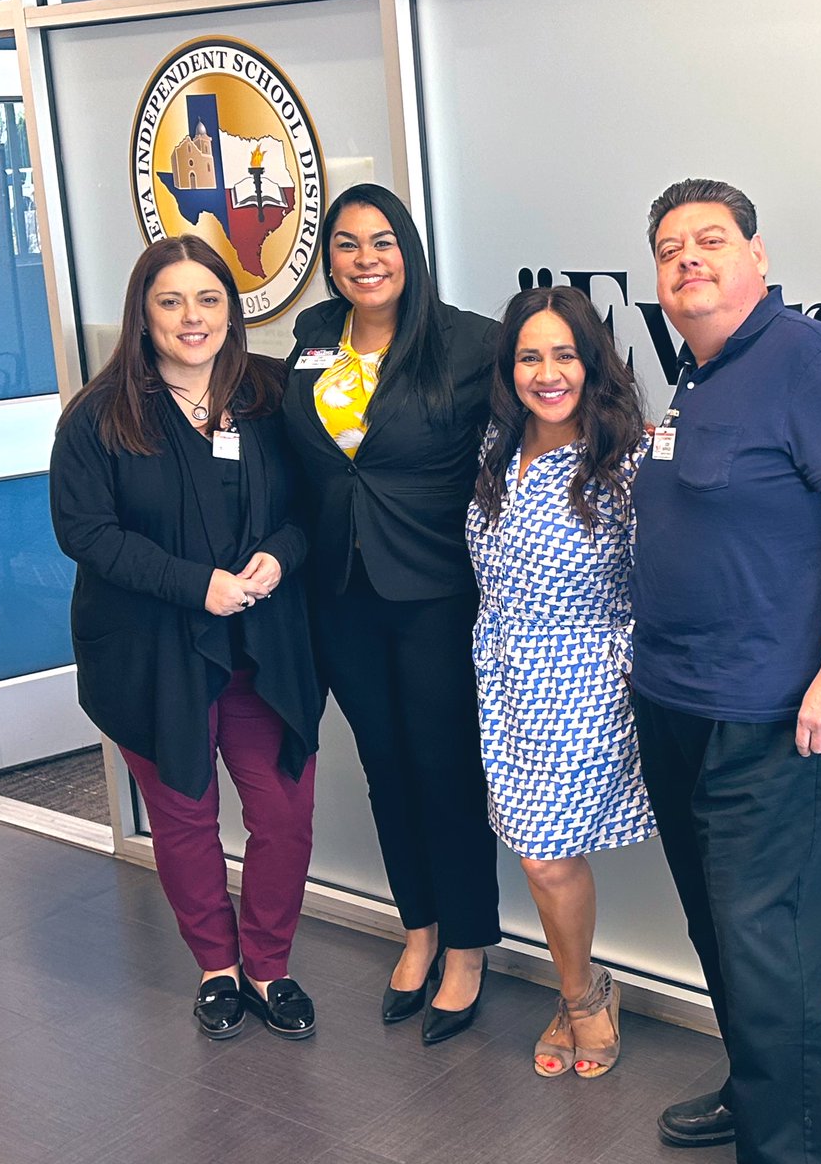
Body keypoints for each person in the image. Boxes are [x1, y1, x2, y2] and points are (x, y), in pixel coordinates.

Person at [629, 180, 821, 1161]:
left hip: (779, 718)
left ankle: (786, 1145)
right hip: (681, 705)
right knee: (719, 932)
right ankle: (754, 1092)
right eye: (669, 247)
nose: (688, 258)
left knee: (769, 957)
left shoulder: (806, 359)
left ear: (758, 256)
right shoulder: (697, 371)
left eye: (710, 240)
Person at [50, 235, 321, 1041]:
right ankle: (218, 969)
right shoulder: (100, 417)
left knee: (283, 814)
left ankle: (269, 966)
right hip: (150, 650)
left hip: (261, 646)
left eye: (207, 299)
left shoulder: (268, 396)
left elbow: (311, 505)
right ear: (143, 314)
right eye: (170, 301)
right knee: (184, 814)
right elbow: (84, 532)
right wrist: (194, 584)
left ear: (231, 310)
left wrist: (280, 553)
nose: (191, 318)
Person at [282, 183, 501, 1044]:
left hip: (435, 591)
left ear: (408, 249)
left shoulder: (468, 344)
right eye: (346, 244)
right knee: (384, 765)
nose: (365, 259)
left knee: (445, 768)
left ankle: (469, 947)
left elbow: (526, 442)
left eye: (381, 241)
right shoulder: (310, 339)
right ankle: (419, 928)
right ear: (327, 257)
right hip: (338, 592)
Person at [467, 286, 656, 1078]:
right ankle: (581, 985)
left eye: (563, 355)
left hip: (587, 675)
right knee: (531, 845)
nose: (547, 373)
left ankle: (582, 997)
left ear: (592, 362)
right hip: (504, 672)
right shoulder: (496, 450)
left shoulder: (628, 458)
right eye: (529, 357)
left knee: (545, 854)